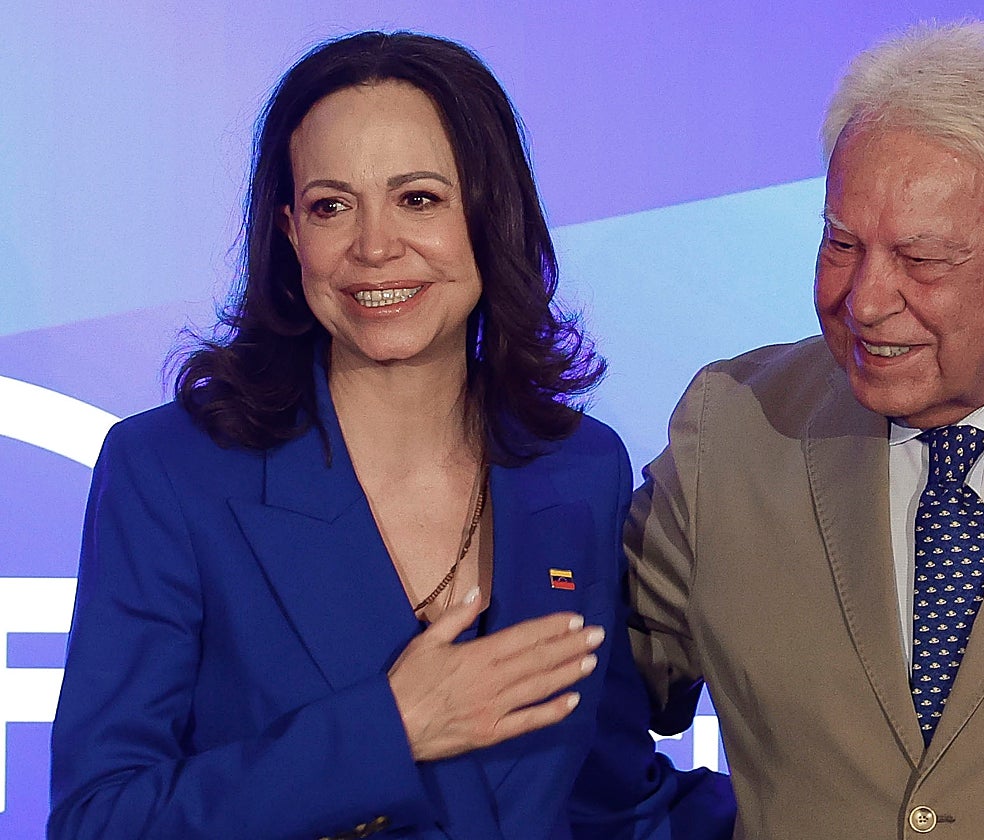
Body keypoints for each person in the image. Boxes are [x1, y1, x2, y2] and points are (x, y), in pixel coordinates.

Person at [49, 31, 733, 840]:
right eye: (331, 206)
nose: (375, 247)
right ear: (291, 233)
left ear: (491, 213)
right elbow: (101, 820)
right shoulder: (170, 472)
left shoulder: (580, 467)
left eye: (418, 199)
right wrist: (389, 731)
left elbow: (608, 799)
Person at [625, 19, 984, 839]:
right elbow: (576, 711)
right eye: (841, 243)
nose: (863, 301)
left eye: (922, 259)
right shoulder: (734, 430)